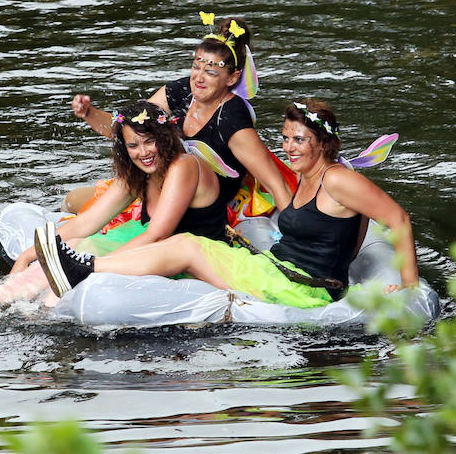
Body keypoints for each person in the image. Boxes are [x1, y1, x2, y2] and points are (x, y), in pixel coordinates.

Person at [34, 99, 420, 306]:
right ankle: (85, 267)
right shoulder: (309, 179)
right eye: (285, 138)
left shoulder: (337, 178)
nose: (288, 148)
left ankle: (86, 269)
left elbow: (398, 218)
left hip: (301, 289)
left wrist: (409, 286)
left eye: (299, 140)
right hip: (277, 270)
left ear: (322, 143)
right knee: (187, 243)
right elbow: (361, 225)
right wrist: (344, 264)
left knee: (186, 245)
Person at [0, 100, 227, 309]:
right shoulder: (137, 174)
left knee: (83, 258)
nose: (143, 152)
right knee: (77, 244)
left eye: (149, 141)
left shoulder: (184, 165)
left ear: (165, 138)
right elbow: (85, 223)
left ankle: (44, 311)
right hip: (151, 251)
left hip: (190, 259)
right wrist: (28, 255)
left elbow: (158, 233)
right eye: (133, 145)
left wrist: (87, 266)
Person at [64, 13, 294, 221]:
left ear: (232, 78)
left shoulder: (232, 122)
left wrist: (302, 243)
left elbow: (276, 184)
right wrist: (89, 113)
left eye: (211, 72)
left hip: (203, 208)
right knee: (72, 200)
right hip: (162, 186)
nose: (199, 78)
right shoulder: (182, 91)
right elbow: (130, 129)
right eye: (196, 67)